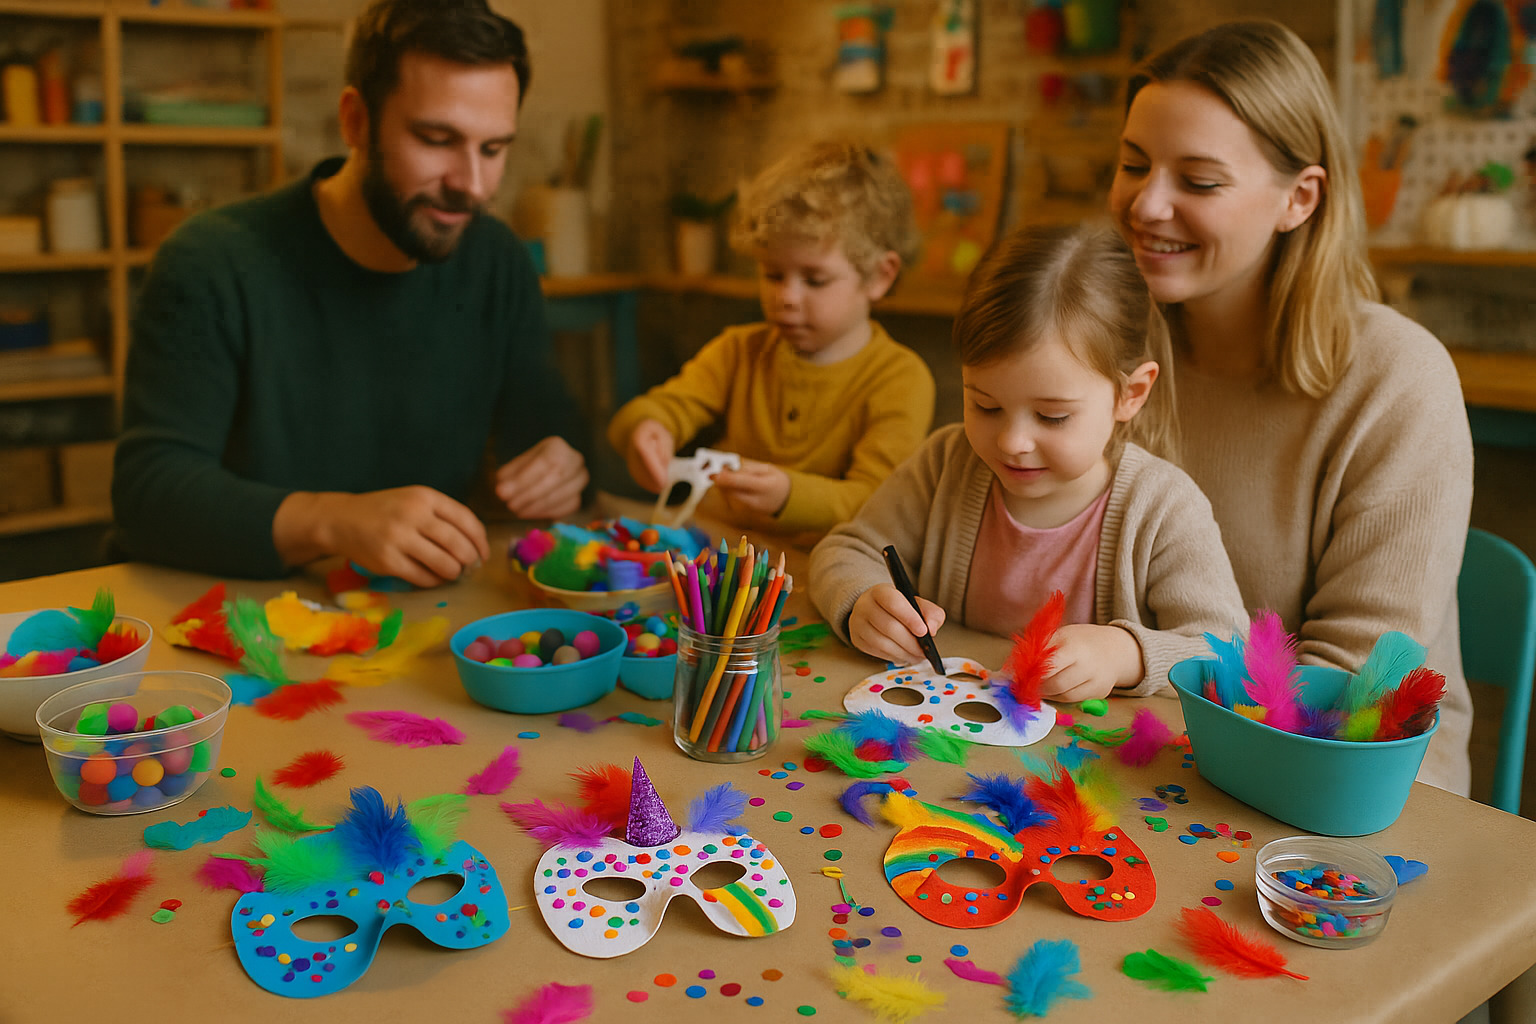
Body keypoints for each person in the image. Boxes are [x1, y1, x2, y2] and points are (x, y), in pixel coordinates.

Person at [1107, 20, 1474, 793]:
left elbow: (1352, 694)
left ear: (1299, 199)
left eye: (1199, 181)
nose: (1146, 204)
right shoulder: (1103, 346)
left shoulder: (1397, 380)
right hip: (1128, 752)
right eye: (1134, 164)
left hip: (1334, 796)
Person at [112, 0, 588, 587]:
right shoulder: (213, 260)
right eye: (437, 139)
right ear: (355, 120)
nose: (472, 185)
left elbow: (545, 439)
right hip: (228, 622)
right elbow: (149, 490)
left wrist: (561, 468)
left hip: (421, 623)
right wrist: (334, 520)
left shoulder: (497, 260)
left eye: (493, 149)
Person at [809, 223, 1248, 702]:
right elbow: (845, 550)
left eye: (1051, 416)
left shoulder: (1164, 507)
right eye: (985, 405)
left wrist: (1126, 654)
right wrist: (861, 601)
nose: (1013, 441)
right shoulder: (946, 463)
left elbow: (1229, 658)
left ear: (1131, 393)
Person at [606, 139, 935, 539]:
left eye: (815, 279)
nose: (786, 298)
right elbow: (659, 409)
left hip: (811, 570)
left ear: (880, 275)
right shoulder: (737, 350)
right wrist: (647, 430)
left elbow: (878, 501)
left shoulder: (901, 378)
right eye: (772, 275)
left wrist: (788, 495)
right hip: (709, 546)